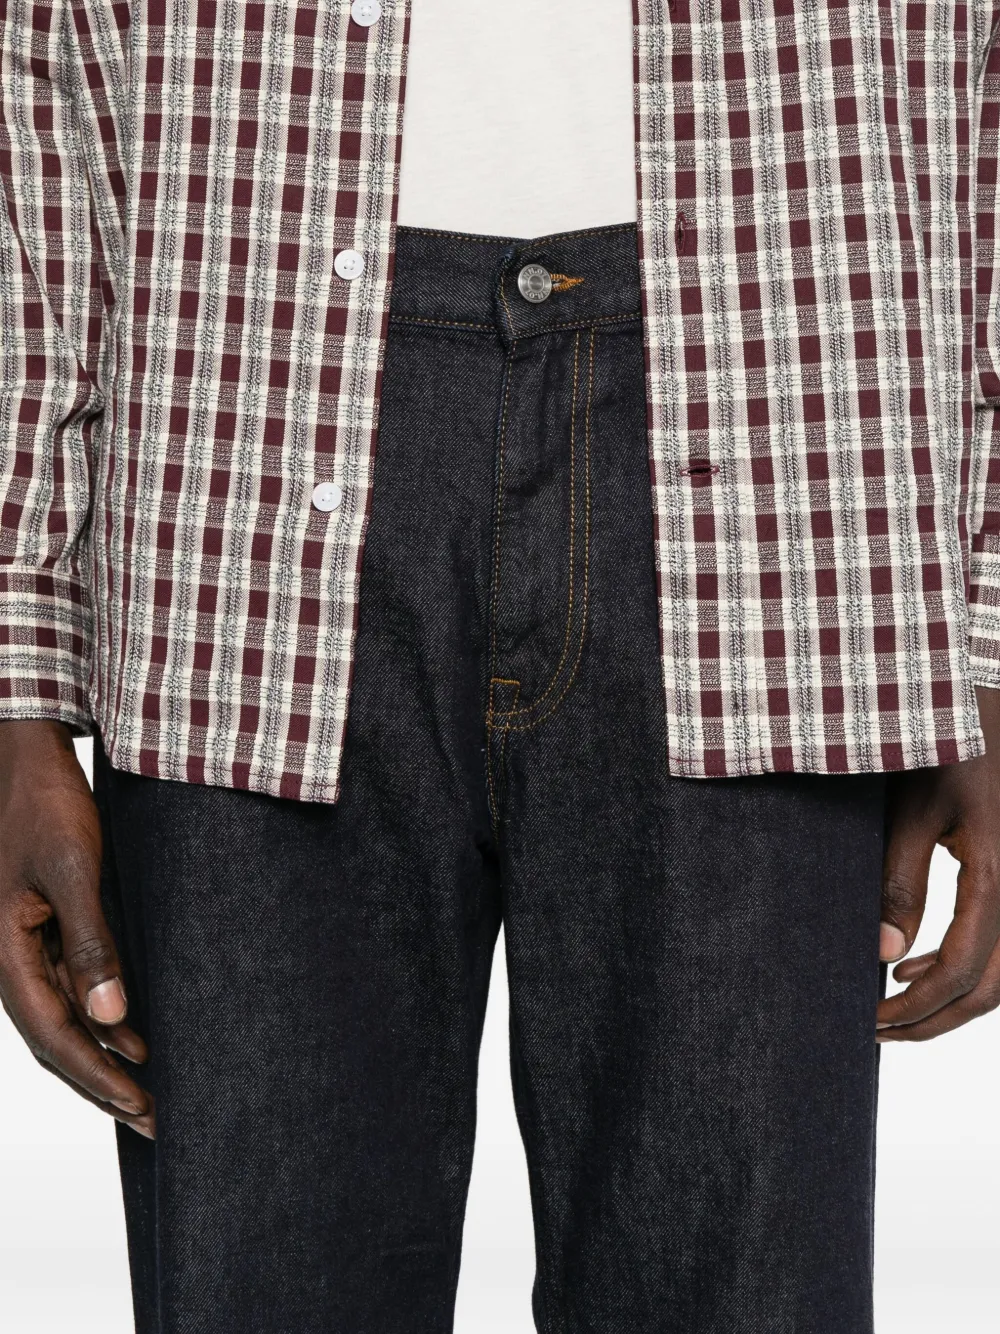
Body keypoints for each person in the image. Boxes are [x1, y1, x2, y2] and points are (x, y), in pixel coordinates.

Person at [1, 0, 999, 1330]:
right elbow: (33, 89)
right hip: (235, 444)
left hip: (782, 446)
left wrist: (988, 631)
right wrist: (15, 685)